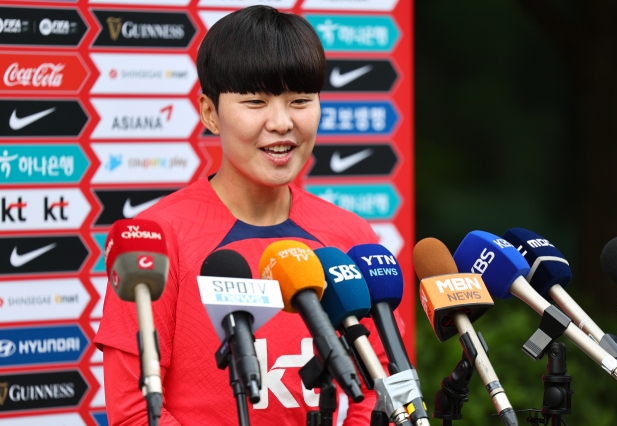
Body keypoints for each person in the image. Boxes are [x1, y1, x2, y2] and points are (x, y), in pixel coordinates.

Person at [95, 6, 394, 425]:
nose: (281, 122)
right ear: (210, 113)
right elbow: (135, 412)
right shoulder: (155, 237)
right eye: (255, 102)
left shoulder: (349, 235)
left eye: (300, 101)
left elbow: (377, 387)